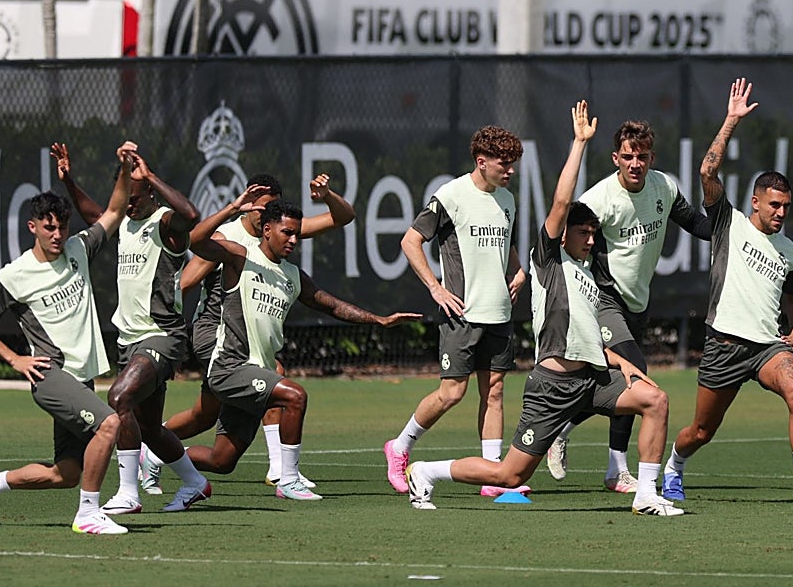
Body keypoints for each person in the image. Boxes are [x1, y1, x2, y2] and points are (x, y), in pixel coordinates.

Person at [407, 101, 682, 516]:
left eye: (594, 233)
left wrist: (619, 362)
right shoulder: (549, 260)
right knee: (509, 476)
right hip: (552, 389)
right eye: (582, 232)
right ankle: (425, 471)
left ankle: (645, 495)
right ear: (562, 234)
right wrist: (578, 144)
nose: (590, 240)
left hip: (593, 379)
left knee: (655, 400)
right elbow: (560, 202)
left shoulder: (590, 276)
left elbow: (586, 332)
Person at [186, 191, 421, 499]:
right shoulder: (239, 257)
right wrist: (232, 208)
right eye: (287, 232)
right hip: (231, 366)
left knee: (222, 460)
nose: (294, 239)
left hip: (258, 370)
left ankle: (159, 453)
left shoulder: (293, 276)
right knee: (294, 396)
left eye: (297, 234)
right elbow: (195, 241)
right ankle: (288, 479)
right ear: (267, 229)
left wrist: (378, 320)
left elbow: (333, 307)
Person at [660, 79, 793, 510]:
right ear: (755, 202)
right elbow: (706, 172)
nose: (780, 213)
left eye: (786, 206)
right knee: (701, 431)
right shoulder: (727, 223)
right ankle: (674, 467)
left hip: (766, 348)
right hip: (724, 345)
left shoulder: (789, 249)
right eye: (773, 205)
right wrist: (731, 119)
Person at [143, 172, 355, 494]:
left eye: (271, 209)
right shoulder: (228, 237)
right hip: (213, 332)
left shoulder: (281, 230)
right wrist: (165, 334)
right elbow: (184, 284)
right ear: (247, 204)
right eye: (259, 208)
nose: (265, 214)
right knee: (275, 374)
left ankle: (154, 449)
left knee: (205, 417)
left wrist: (327, 195)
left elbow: (344, 217)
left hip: (245, 337)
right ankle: (281, 471)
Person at [0, 144, 133, 534]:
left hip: (81, 376)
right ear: (33, 227)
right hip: (51, 375)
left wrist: (123, 167)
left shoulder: (78, 249)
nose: (57, 235)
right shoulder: (16, 274)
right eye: (49, 227)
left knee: (68, 473)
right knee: (110, 425)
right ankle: (89, 514)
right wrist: (15, 359)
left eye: (62, 227)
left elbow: (114, 212)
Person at [547, 118, 712, 493]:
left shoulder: (663, 187)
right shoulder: (597, 200)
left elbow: (697, 225)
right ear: (615, 159)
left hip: (638, 301)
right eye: (627, 156)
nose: (635, 163)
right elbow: (565, 244)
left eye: (641, 156)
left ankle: (572, 433)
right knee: (634, 375)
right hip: (605, 298)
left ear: (651, 157)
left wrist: (734, 223)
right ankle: (616, 469)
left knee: (621, 383)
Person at [52, 141, 212, 514]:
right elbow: (96, 212)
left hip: (162, 336)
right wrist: (69, 180)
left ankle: (128, 493)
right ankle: (194, 483)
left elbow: (191, 213)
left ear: (151, 193)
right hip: (130, 340)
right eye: (128, 199)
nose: (131, 204)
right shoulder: (124, 223)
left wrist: (149, 174)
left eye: (137, 197)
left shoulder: (166, 225)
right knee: (149, 427)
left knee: (119, 399)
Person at [383, 127, 528, 498]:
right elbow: (410, 241)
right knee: (451, 393)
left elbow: (507, 244)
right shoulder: (451, 195)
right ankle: (400, 447)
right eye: (503, 164)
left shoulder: (508, 200)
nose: (510, 170)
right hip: (462, 314)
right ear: (482, 162)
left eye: (513, 164)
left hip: (499, 314)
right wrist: (435, 287)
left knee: (494, 392)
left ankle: (492, 479)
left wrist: (519, 270)